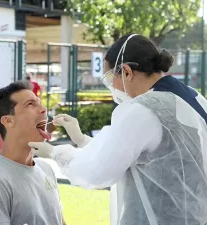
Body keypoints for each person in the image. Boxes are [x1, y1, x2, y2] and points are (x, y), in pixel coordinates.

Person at [29, 34, 207, 225]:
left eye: (109, 79)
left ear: (127, 71)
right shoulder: (193, 97)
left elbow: (96, 173)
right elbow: (138, 153)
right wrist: (82, 139)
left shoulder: (144, 109)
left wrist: (56, 153)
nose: (111, 88)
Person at [0, 81, 66, 225]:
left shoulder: (46, 168)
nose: (44, 109)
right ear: (8, 121)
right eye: (31, 104)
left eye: (40, 103)